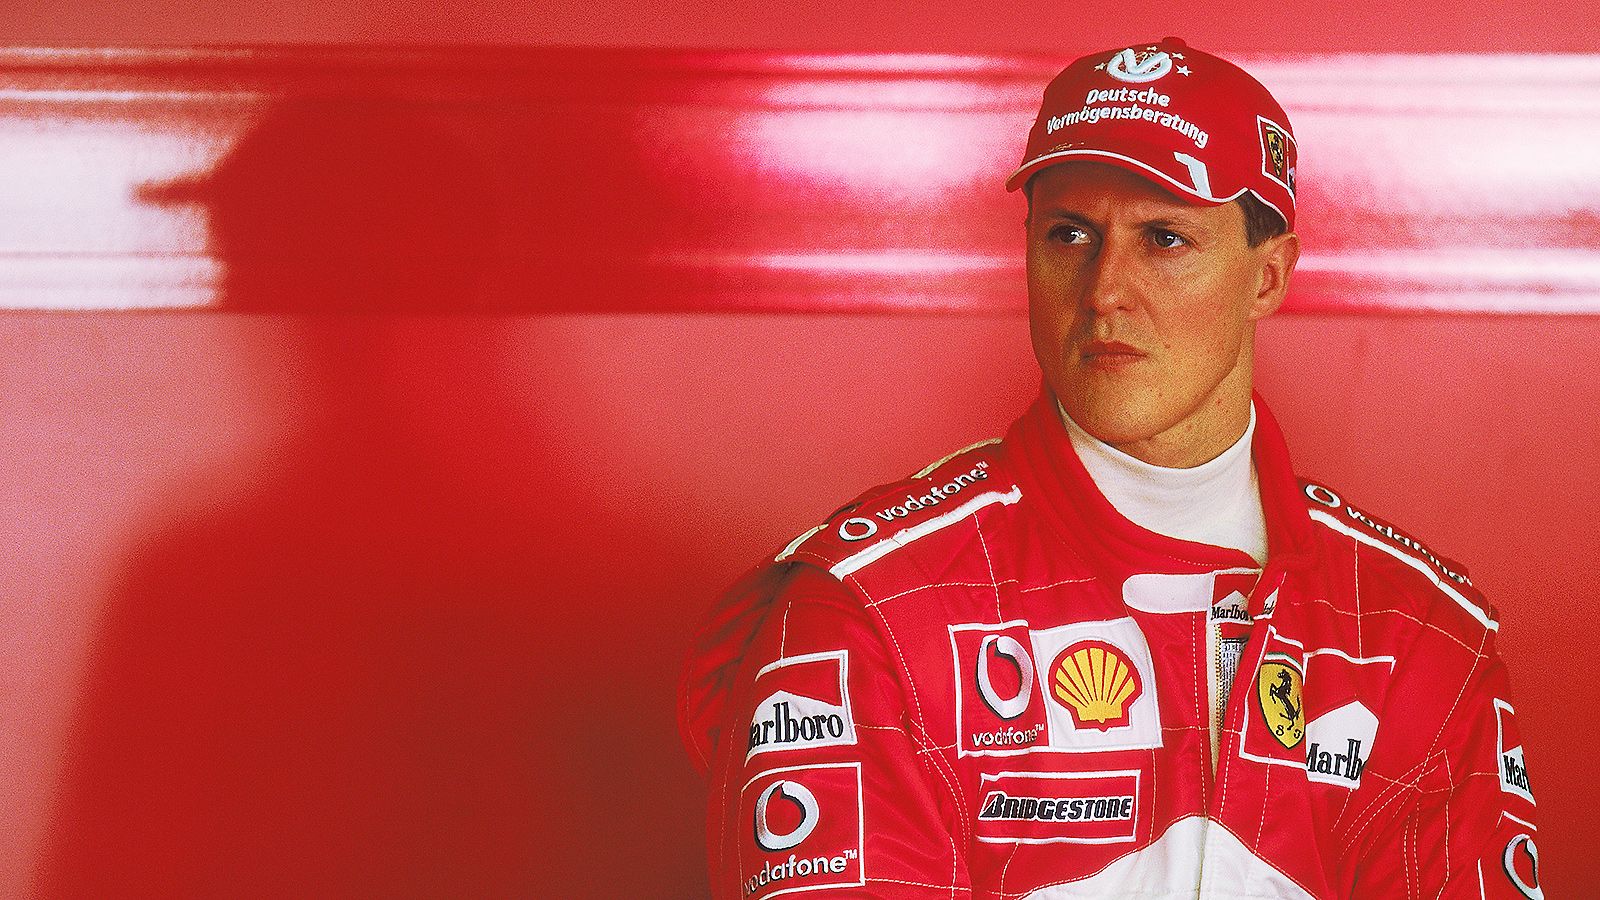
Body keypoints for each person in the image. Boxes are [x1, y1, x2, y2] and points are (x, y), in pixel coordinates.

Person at [678, 37, 1542, 899]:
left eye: (1164, 238)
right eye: (1070, 235)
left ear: (1268, 278)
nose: (1103, 292)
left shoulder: (1416, 634)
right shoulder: (869, 611)